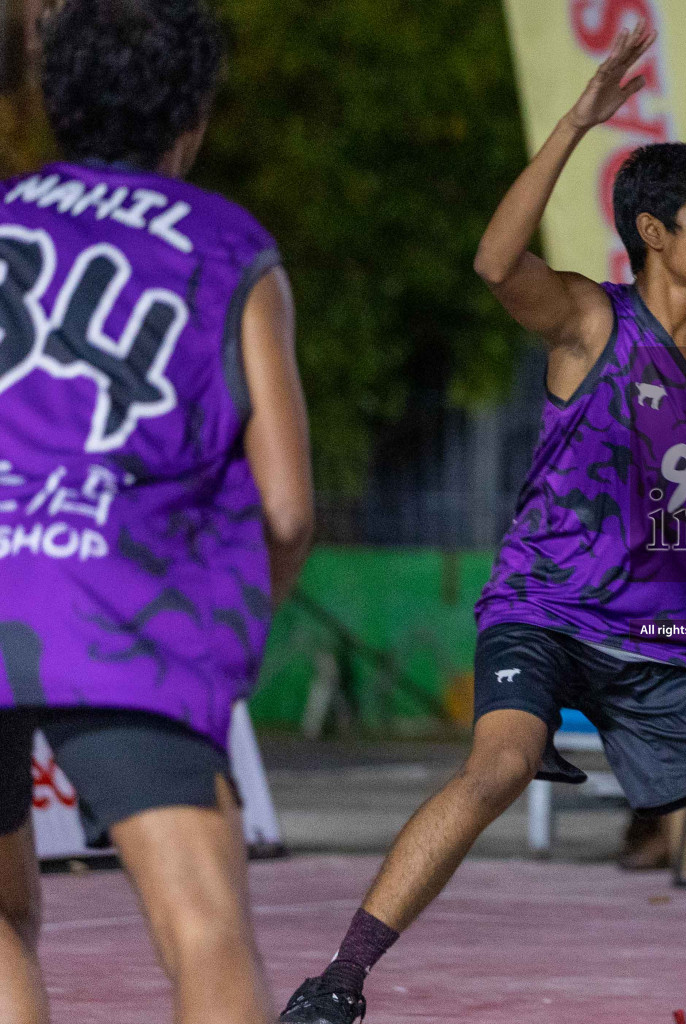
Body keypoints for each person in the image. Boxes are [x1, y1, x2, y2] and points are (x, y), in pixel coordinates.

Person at [279, 30, 686, 1024]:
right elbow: (496, 258)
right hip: (544, 605)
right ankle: (339, 981)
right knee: (497, 765)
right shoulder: (592, 321)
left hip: (663, 633)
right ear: (654, 231)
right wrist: (578, 123)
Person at [0, 3, 314, 1023]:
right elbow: (289, 506)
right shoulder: (229, 248)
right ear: (194, 115)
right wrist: (220, 646)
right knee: (206, 930)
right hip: (121, 604)